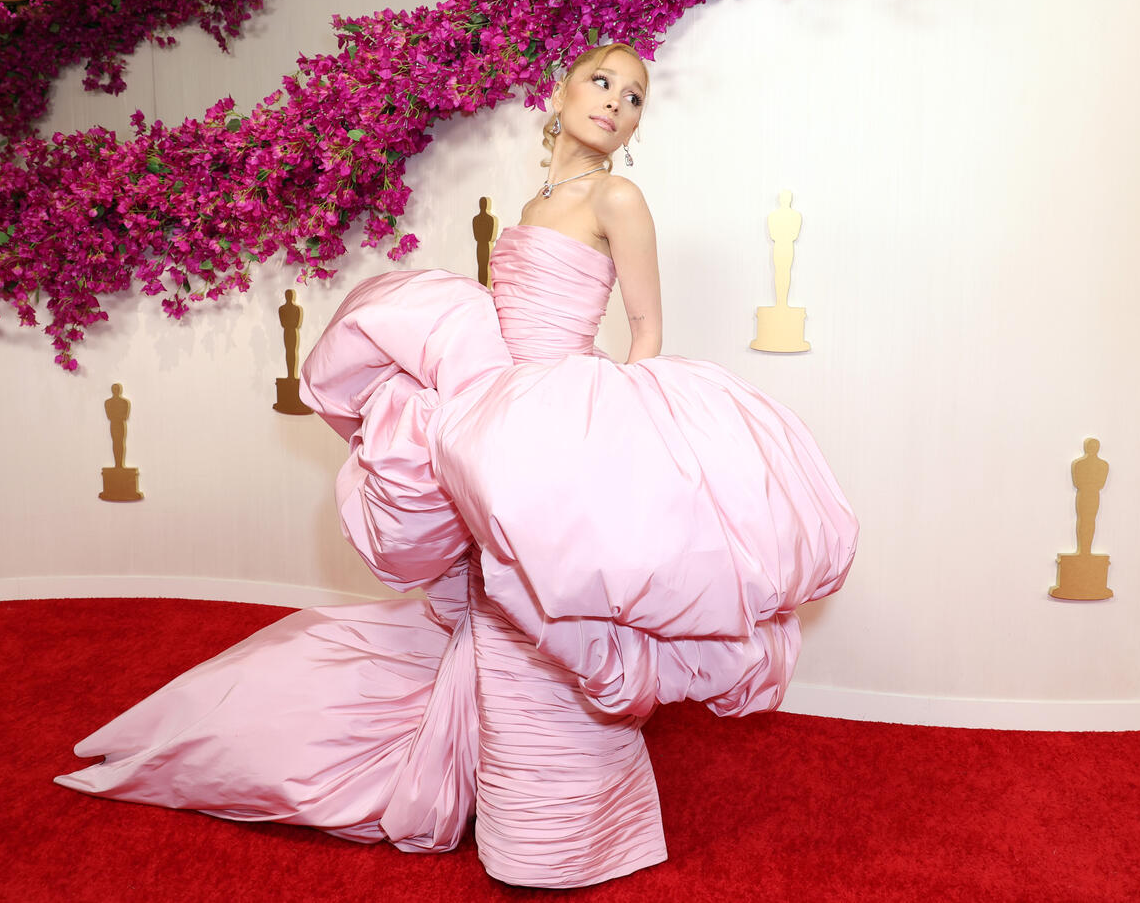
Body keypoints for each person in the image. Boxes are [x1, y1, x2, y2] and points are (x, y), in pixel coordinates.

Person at [56, 44, 859, 889]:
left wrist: (611, 431)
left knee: (545, 610)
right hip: (501, 419)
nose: (617, 103)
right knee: (500, 605)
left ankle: (564, 840)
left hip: (552, 424)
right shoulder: (536, 199)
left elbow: (645, 326)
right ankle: (522, 821)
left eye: (634, 97)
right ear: (559, 92)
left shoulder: (617, 195)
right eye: (602, 82)